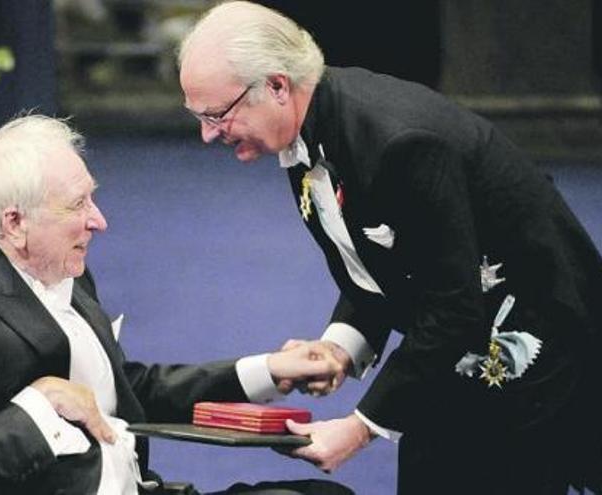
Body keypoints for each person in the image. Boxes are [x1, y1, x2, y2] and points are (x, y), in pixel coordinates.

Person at [177, 2, 602, 494]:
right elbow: (382, 265)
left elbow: (452, 305)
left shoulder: (396, 144)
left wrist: (359, 428)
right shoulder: (306, 125)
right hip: (459, 343)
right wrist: (340, 347)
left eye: (217, 114)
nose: (207, 134)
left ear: (276, 85)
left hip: (539, 342)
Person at [0, 114, 354, 495]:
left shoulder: (62, 266)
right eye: (78, 205)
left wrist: (271, 370)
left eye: (92, 196)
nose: (100, 220)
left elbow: (127, 391)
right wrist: (40, 404)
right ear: (15, 223)